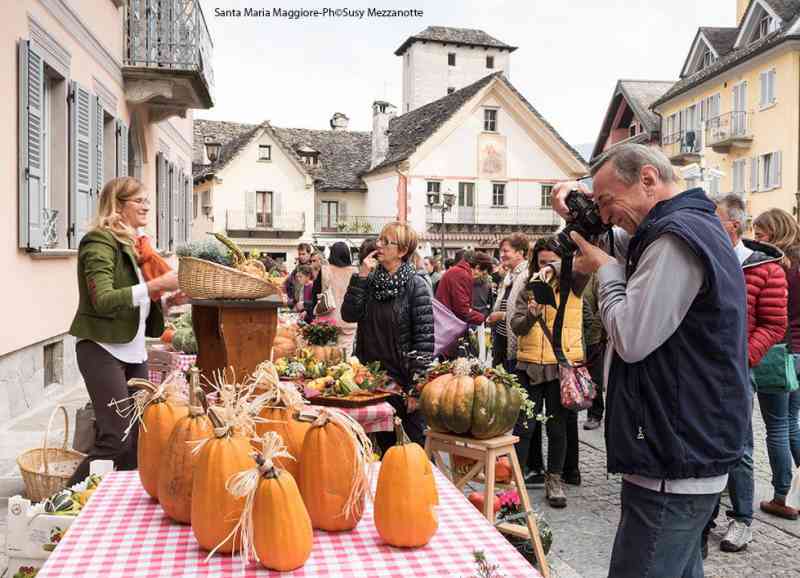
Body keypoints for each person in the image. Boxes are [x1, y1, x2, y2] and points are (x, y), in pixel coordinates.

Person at [552, 143, 750, 578]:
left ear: (647, 179)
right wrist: (579, 205)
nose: (604, 216)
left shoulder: (675, 239)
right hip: (682, 448)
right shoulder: (678, 227)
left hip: (673, 457)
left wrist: (604, 270)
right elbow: (618, 239)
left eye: (607, 201)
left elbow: (631, 336)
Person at [67, 177, 183, 485]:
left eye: (147, 199)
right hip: (101, 349)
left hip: (134, 351)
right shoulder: (99, 242)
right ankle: (58, 506)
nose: (147, 206)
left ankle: (117, 507)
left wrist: (168, 301)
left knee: (138, 440)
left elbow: (138, 300)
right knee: (115, 438)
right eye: (139, 200)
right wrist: (157, 285)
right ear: (118, 206)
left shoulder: (136, 246)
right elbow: (103, 300)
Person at [698, 195, 787, 555]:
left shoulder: (766, 268)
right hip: (699, 368)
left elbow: (774, 323)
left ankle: (743, 519)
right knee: (703, 441)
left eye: (713, 219)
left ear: (732, 225)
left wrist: (744, 358)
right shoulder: (703, 259)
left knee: (740, 446)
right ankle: (705, 516)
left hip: (738, 370)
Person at [341, 223, 434, 450]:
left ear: (402, 251)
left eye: (386, 241)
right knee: (376, 448)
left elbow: (424, 341)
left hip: (401, 381)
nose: (378, 245)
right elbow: (349, 314)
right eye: (379, 240)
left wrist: (415, 389)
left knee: (409, 449)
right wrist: (361, 277)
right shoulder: (370, 280)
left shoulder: (416, 286)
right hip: (370, 379)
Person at [510, 237, 586, 507]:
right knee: (525, 426)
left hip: (559, 365)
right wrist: (531, 314)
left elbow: (589, 260)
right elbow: (516, 326)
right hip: (529, 364)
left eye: (552, 262)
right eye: (542, 262)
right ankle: (514, 483)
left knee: (557, 427)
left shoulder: (575, 285)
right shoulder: (529, 286)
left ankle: (554, 479)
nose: (546, 267)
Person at [753, 207, 800, 520]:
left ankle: (784, 496)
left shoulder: (775, 265)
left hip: (779, 352)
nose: (756, 239)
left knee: (778, 427)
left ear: (774, 232)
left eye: (760, 234)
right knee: (793, 422)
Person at [487, 233, 529, 371]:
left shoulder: (526, 275)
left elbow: (529, 310)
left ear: (520, 253)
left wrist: (501, 316)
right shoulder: (509, 275)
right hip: (502, 339)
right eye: (501, 251)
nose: (502, 255)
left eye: (506, 251)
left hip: (517, 344)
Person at [311, 242, 358, 354]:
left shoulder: (325, 270)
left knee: (326, 356)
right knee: (344, 358)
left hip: (327, 321)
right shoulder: (355, 272)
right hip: (348, 322)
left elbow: (315, 294)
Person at [435, 250, 486, 325]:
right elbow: (462, 310)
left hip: (445, 320)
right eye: (481, 271)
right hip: (448, 323)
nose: (480, 274)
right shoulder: (462, 274)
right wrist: (483, 318)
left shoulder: (458, 272)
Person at [582, 275, 606, 431]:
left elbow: (602, 306)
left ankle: (595, 413)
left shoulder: (596, 277)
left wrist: (594, 330)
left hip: (592, 338)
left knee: (594, 377)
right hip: (575, 336)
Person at [285, 243, 313, 309]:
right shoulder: (297, 268)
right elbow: (289, 281)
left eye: (303, 254)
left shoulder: (313, 267)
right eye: (299, 254)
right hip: (297, 303)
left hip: (308, 305)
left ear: (309, 254)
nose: (301, 256)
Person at [471, 252, 495, 319]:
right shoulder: (465, 283)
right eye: (475, 268)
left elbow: (491, 304)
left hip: (481, 320)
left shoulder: (487, 284)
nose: (476, 271)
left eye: (480, 269)